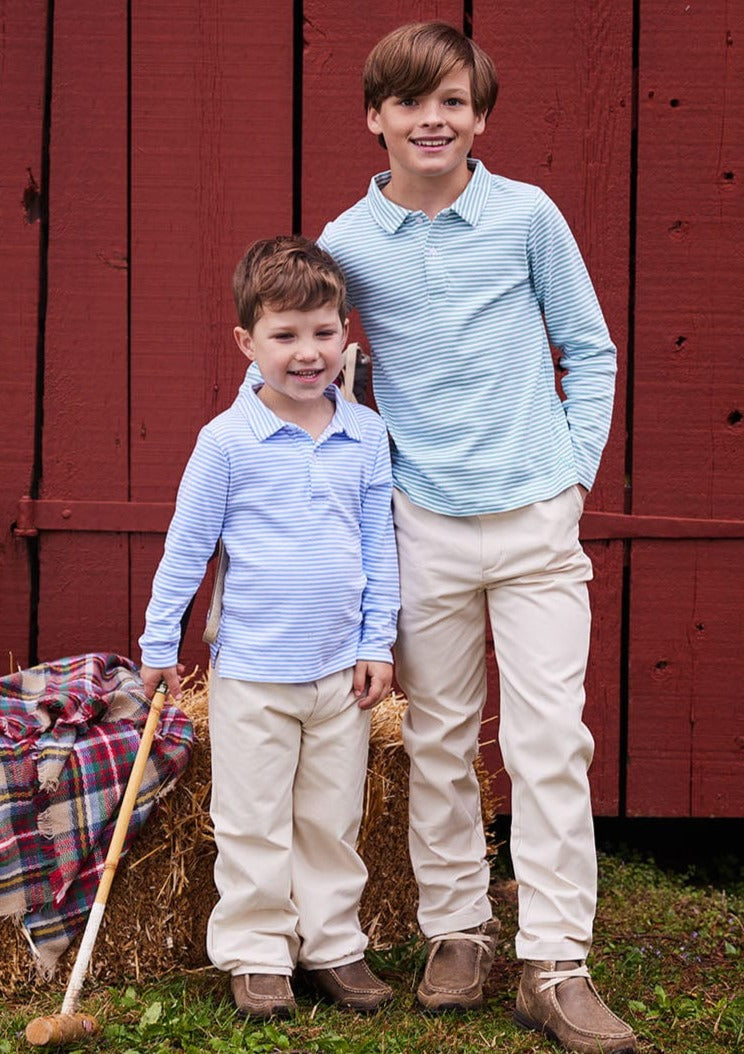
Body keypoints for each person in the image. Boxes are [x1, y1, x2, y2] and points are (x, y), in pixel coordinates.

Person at [317, 20, 637, 1054]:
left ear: (480, 115)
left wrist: (574, 475)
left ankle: (556, 961)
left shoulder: (527, 216)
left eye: (452, 101)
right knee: (442, 740)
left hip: (537, 514)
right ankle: (456, 931)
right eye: (410, 102)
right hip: (425, 522)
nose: (433, 119)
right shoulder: (347, 244)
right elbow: (301, 357)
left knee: (552, 742)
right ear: (376, 118)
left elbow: (589, 349)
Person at [139, 236, 399, 1020]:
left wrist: (375, 641)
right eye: (285, 335)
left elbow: (378, 548)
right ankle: (257, 953)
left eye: (323, 333)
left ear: (345, 336)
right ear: (248, 344)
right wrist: (160, 643)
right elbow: (187, 547)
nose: (307, 352)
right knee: (251, 819)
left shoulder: (365, 438)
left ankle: (334, 946)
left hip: (337, 675)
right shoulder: (227, 443)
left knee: (331, 817)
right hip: (253, 670)